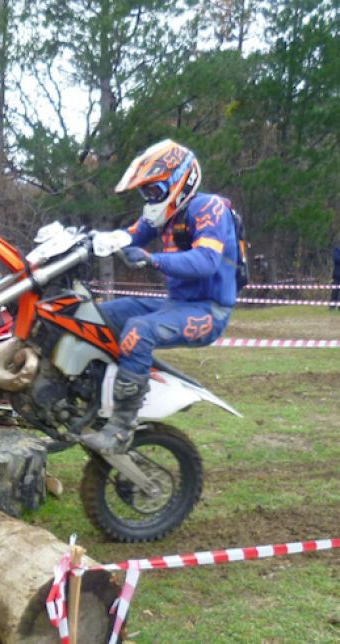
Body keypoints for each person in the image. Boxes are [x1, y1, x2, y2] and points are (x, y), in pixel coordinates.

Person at [82, 139, 239, 455]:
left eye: (154, 190)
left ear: (180, 181)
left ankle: (121, 428)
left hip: (209, 311)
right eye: (146, 192)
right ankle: (88, 396)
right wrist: (86, 242)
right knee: (96, 316)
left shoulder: (208, 208)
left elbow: (207, 260)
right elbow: (127, 236)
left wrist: (153, 259)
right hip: (176, 304)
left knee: (139, 331)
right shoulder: (165, 214)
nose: (150, 198)